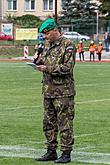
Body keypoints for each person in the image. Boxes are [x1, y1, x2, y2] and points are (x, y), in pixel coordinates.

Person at [34, 18, 76, 163]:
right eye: (44, 35)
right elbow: (43, 61)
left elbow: (67, 67)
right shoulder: (46, 45)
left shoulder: (68, 45)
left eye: (47, 34)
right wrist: (37, 61)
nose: (45, 37)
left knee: (64, 123)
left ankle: (66, 153)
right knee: (48, 123)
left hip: (63, 92)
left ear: (55, 30)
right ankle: (51, 151)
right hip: (48, 91)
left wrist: (47, 69)